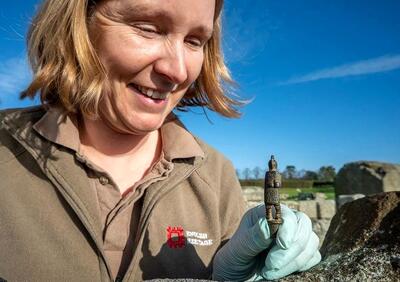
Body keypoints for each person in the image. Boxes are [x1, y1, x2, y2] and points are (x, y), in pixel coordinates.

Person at [0, 0, 320, 281]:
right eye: (149, 29)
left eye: (195, 41)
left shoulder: (217, 177)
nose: (177, 71)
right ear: (80, 24)